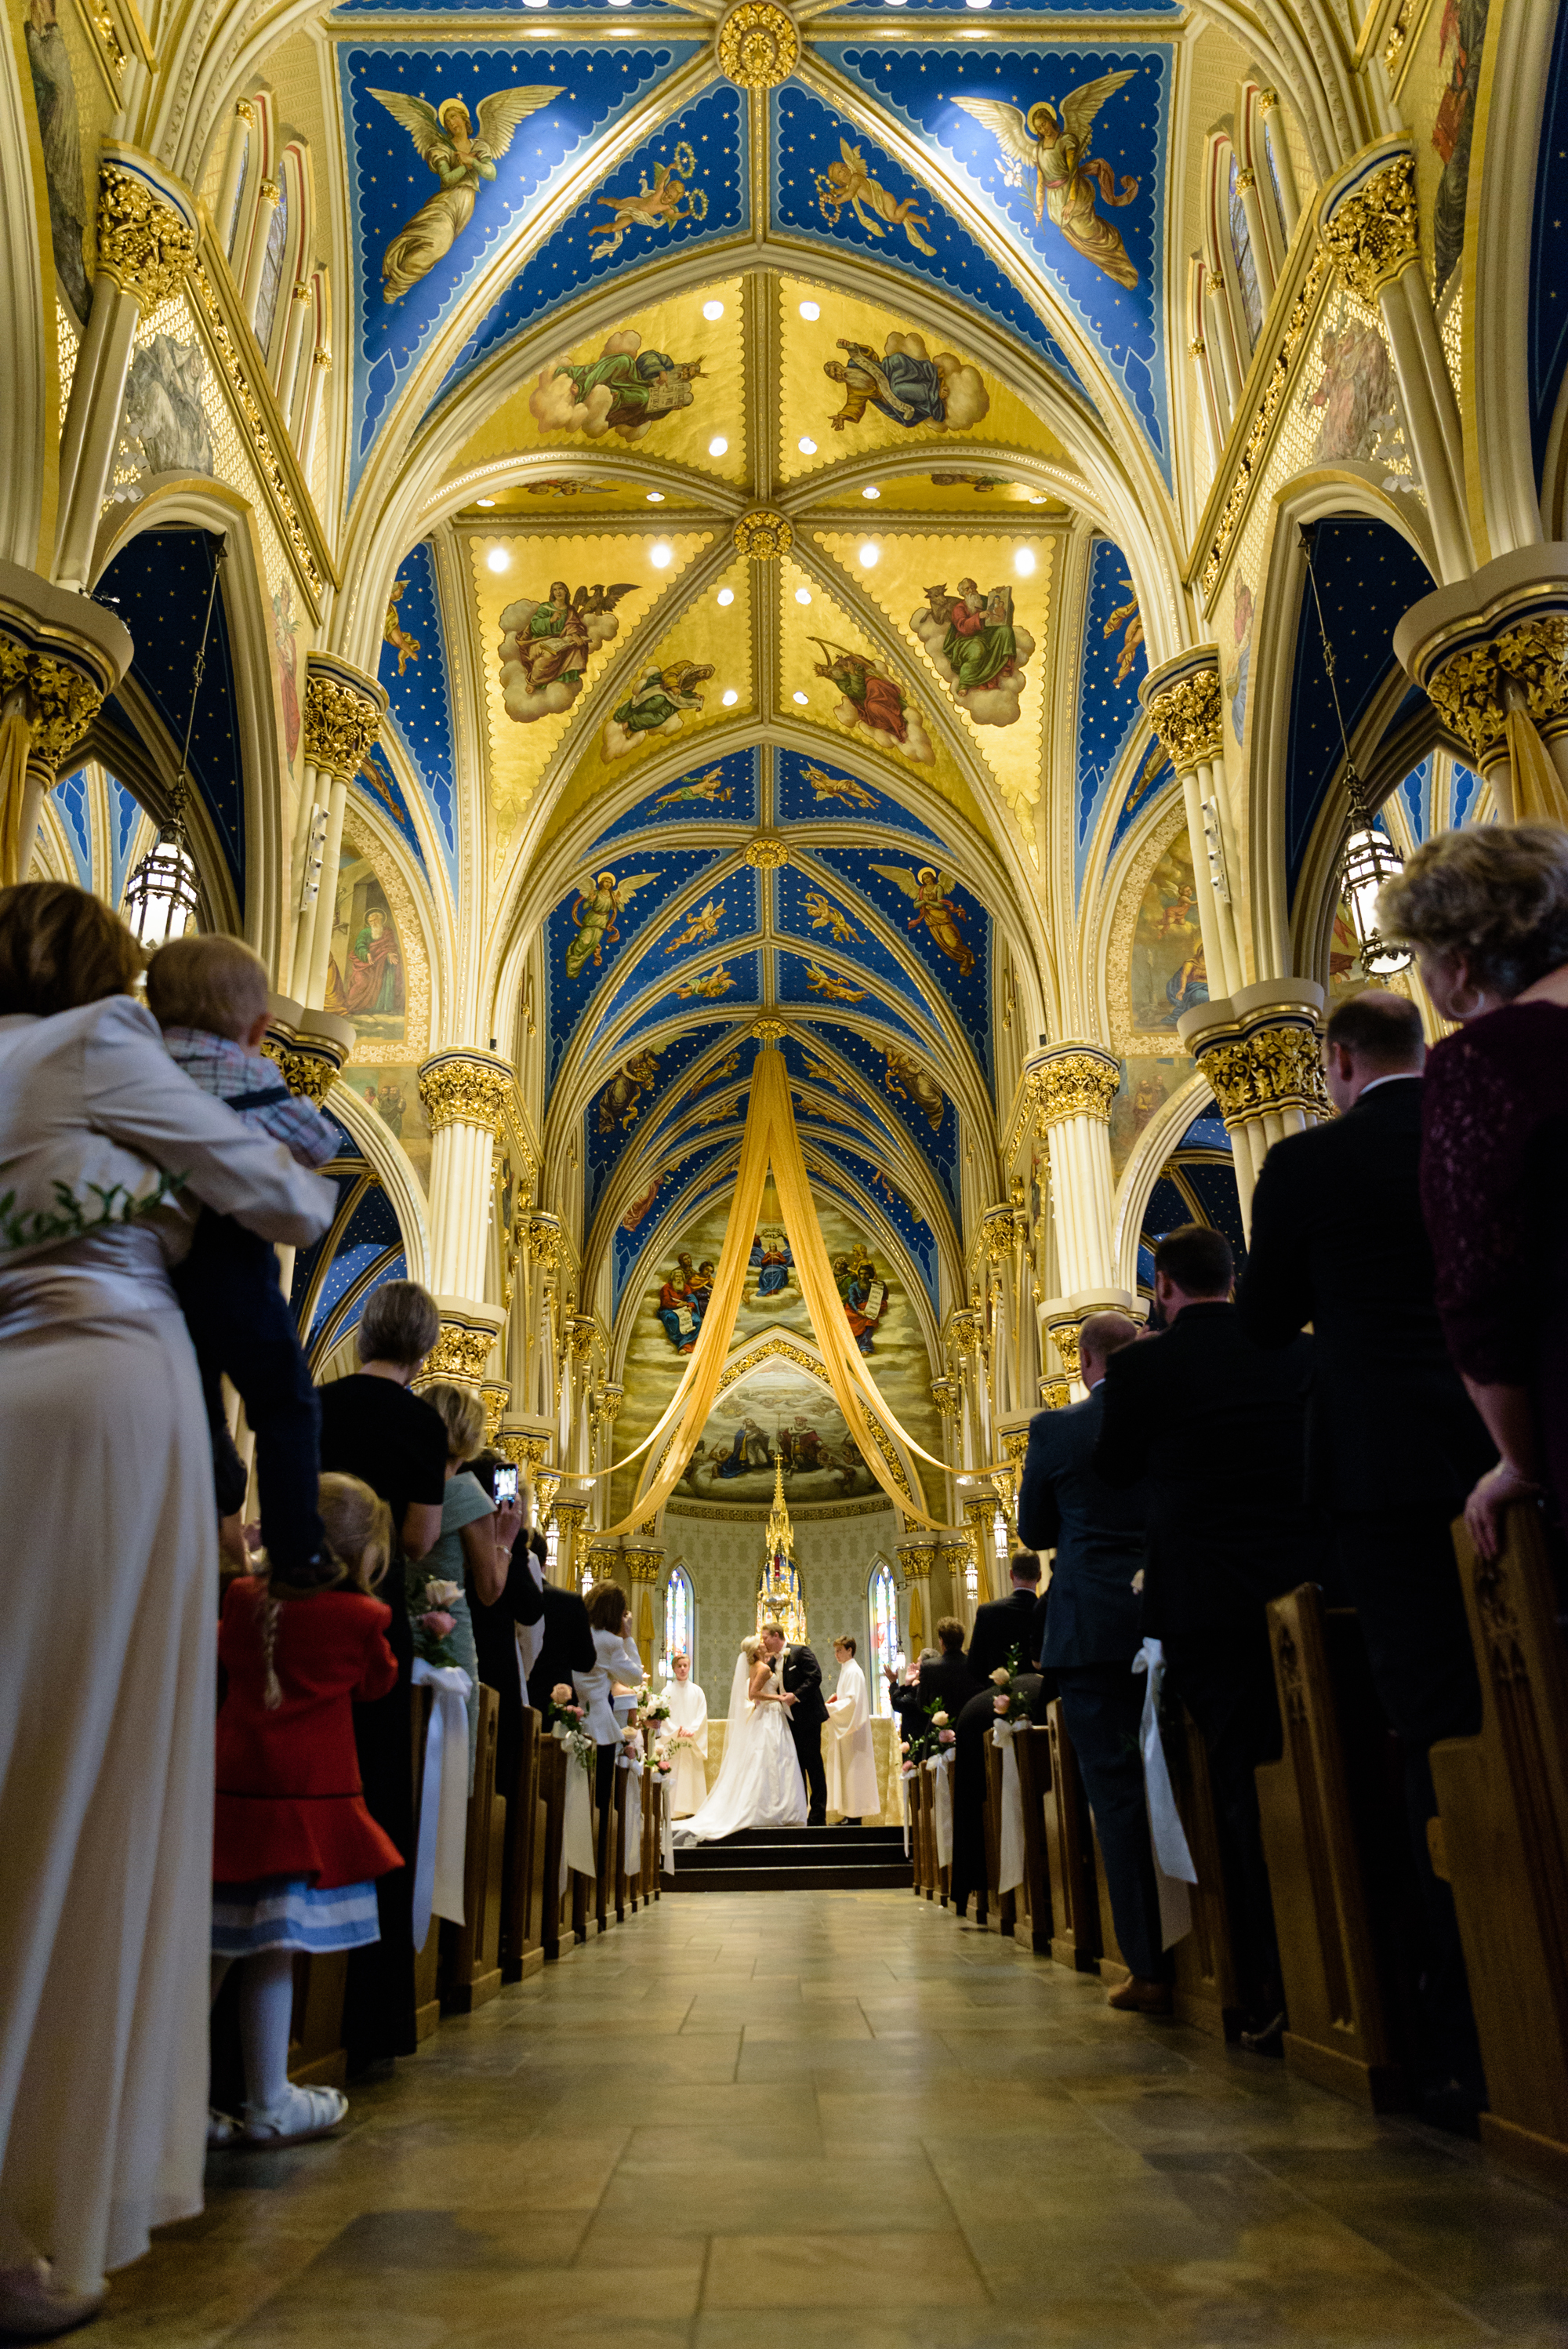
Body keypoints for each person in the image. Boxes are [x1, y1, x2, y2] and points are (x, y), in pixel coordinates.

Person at [0, 882, 332, 2336]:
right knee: (85, 1785)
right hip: (108, 1408)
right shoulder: (95, 1042)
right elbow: (289, 1192)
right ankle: (29, 2210)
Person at [1240, 988, 1491, 2116]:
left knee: (1428, 1725)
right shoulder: (1481, 1119)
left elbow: (1263, 1323)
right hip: (1510, 1439)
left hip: (1386, 1476)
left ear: (1335, 1062)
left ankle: (1460, 2032)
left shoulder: (1304, 1166)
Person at [1094, 1225, 1319, 2048]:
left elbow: (1116, 1473)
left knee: (1234, 1786)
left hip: (1202, 1603)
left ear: (1162, 1286)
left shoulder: (1143, 1365)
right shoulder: (1295, 1352)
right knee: (1322, 1764)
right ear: (1232, 1276)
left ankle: (1261, 1980)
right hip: (1304, 1591)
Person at [1378, 822, 1568, 1545]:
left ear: (1459, 965)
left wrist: (1520, 1463)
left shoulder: (1487, 1061)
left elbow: (1477, 1291)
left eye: (1419, 955)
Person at [209, 1474, 402, 2150]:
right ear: (364, 1554)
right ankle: (269, 2099)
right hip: (308, 1804)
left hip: (233, 1796)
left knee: (212, 1952)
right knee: (274, 1952)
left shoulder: (241, 1596)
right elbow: (379, 1682)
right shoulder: (361, 1616)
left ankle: (173, 2099)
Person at [145, 931, 339, 1575]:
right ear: (259, 1027)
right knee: (285, 1401)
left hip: (158, 1263)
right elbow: (317, 1144)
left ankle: (216, 1486)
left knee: (194, 1389)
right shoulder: (249, 1071)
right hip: (232, 1258)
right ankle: (293, 1551)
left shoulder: (143, 1064)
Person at [316, 1280, 448, 2075]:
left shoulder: (316, 1400)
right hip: (372, 1614)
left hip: (296, 1599)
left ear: (364, 1332)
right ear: (424, 1347)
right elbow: (423, 1537)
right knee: (374, 1803)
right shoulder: (421, 1422)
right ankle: (371, 2022)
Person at [1018, 1312, 1167, 2015]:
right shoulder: (1172, 1413)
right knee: (1200, 1771)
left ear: (1082, 1361)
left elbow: (1035, 1531)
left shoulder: (1056, 1430)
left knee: (1115, 1796)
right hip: (1174, 1605)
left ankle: (1148, 1966)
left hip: (1088, 1628)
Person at [414, 1385, 524, 1775]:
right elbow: (490, 1589)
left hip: (403, 1626)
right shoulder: (468, 1495)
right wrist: (506, 1540)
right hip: (452, 1635)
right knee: (449, 1760)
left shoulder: (405, 1485)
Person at [950, 1552, 1050, 1922]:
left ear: (1011, 1576)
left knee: (970, 1751)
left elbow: (975, 1667)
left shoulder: (989, 1612)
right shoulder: (1046, 1606)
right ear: (1038, 1576)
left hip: (993, 1702)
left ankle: (972, 1880)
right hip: (1046, 1697)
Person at [462, 1454, 545, 1813]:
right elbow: (528, 1608)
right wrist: (508, 1542)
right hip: (491, 1660)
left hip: (473, 1652)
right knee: (496, 1779)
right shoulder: (499, 1542)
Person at [673, 1637, 808, 1843]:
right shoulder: (762, 1667)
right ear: (756, 1650)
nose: (764, 1643)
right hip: (770, 1716)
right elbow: (753, 1693)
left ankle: (771, 1807)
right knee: (774, 1759)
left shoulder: (756, 1665)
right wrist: (778, 1698)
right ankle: (773, 1809)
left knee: (768, 1761)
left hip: (766, 1715)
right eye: (761, 1642)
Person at [578, 1582, 644, 1829]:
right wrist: (627, 1637)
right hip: (600, 1728)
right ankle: (601, 1856)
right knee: (601, 1800)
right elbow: (635, 1677)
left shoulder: (578, 1631)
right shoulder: (609, 1641)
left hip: (576, 1720)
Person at [760, 1621, 829, 1824]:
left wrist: (796, 1696)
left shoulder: (800, 1651)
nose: (763, 1641)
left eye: (765, 1637)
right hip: (788, 1721)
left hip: (808, 1718)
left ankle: (818, 1815)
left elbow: (815, 1676)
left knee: (813, 1765)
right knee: (795, 1767)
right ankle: (800, 1811)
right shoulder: (773, 1662)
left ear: (776, 1635)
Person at [826, 1636, 879, 1824]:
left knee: (854, 1772)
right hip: (848, 1731)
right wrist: (836, 1701)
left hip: (853, 1731)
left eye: (840, 1650)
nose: (836, 1655)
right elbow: (847, 1699)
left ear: (850, 1650)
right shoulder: (847, 1670)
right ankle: (850, 1814)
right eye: (835, 1651)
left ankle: (854, 1816)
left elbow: (852, 1703)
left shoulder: (853, 1672)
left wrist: (829, 1708)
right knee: (849, 1772)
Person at [660, 1650, 710, 1818]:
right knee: (674, 1774)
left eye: (685, 1666)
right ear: (674, 1668)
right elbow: (663, 1716)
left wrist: (692, 1730)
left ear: (689, 1667)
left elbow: (702, 1715)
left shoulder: (697, 1691)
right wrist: (676, 1730)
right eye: (679, 1666)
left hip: (691, 1739)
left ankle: (693, 1810)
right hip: (675, 1739)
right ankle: (672, 1812)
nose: (682, 1669)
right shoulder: (666, 1692)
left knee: (691, 1775)